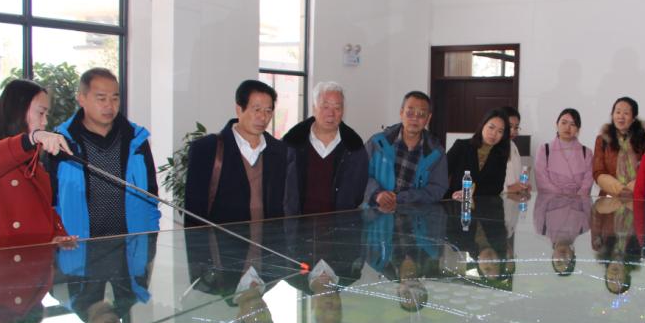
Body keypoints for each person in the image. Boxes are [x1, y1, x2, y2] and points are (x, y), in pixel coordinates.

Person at [0, 79, 76, 251]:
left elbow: (42, 209)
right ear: (18, 111)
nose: (45, 122)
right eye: (41, 113)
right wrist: (28, 140)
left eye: (46, 115)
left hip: (35, 259)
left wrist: (56, 234)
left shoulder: (34, 156)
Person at [49, 68, 160, 239]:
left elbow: (151, 197)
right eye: (101, 98)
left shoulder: (136, 140)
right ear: (81, 98)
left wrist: (151, 238)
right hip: (78, 245)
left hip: (132, 245)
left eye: (115, 98)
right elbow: (51, 201)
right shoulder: (61, 143)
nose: (109, 105)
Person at [184, 79, 292, 225]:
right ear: (239, 109)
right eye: (256, 109)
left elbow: (285, 205)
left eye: (268, 111)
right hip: (222, 238)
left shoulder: (279, 151)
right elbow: (193, 213)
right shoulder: (206, 149)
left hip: (269, 238)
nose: (263, 117)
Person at [283, 81, 369, 214]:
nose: (331, 114)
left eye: (337, 108)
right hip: (296, 223)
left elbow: (358, 194)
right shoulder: (292, 143)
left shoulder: (354, 148)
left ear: (343, 111)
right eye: (325, 107)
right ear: (314, 108)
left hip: (339, 224)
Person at [364, 91, 449, 210]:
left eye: (421, 114)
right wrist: (377, 194)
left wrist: (402, 198)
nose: (415, 118)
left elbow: (437, 189)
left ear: (428, 118)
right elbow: (360, 175)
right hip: (376, 213)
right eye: (410, 113)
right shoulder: (377, 143)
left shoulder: (436, 153)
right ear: (401, 112)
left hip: (415, 216)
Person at [593, 96, 645, 197]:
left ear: (633, 118)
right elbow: (598, 172)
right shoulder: (602, 139)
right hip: (610, 197)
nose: (621, 116)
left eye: (626, 113)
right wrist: (620, 190)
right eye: (617, 112)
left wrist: (631, 189)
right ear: (612, 115)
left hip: (637, 195)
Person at [446, 108, 511, 198]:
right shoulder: (461, 146)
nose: (494, 133)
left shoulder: (500, 155)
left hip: (483, 204)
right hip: (454, 201)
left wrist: (471, 191)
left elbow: (497, 187)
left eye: (500, 131)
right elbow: (441, 173)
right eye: (491, 127)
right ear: (483, 125)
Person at [534, 108, 594, 195]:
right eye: (564, 123)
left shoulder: (587, 153)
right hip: (551, 201)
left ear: (578, 129)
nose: (567, 127)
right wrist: (562, 197)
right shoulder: (544, 150)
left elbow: (587, 182)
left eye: (572, 124)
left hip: (578, 201)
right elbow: (542, 181)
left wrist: (576, 199)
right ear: (557, 125)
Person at [501, 106, 530, 194]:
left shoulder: (513, 146)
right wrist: (508, 189)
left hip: (512, 199)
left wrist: (523, 185)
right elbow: (484, 184)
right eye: (509, 126)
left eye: (516, 127)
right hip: (494, 199)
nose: (513, 131)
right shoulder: (491, 148)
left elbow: (517, 177)